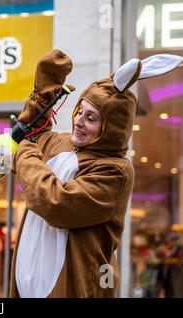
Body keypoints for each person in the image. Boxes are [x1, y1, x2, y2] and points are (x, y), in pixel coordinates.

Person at [9, 49, 183, 297]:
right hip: (27, 285)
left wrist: (24, 147)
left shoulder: (115, 171)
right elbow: (31, 136)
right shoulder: (62, 143)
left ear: (110, 128)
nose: (78, 121)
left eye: (91, 118)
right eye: (80, 111)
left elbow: (56, 203)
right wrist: (43, 93)